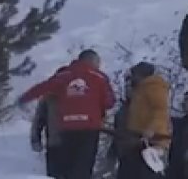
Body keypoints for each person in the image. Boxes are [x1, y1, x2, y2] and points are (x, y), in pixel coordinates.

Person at [19, 50, 116, 179]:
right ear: (92, 62)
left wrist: (24, 98)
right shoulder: (99, 77)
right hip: (89, 129)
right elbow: (109, 102)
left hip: (65, 129)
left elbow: (42, 88)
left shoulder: (63, 76)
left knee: (63, 170)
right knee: (82, 169)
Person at [116, 62, 171, 179]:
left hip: (150, 141)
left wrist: (151, 129)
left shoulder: (154, 87)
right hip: (137, 140)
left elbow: (160, 110)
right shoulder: (140, 90)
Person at [29, 76, 65, 177]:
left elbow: (38, 120)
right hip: (79, 142)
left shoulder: (49, 95)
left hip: (55, 142)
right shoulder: (82, 93)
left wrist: (35, 140)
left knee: (55, 174)